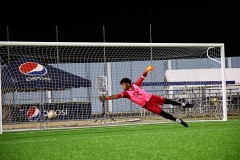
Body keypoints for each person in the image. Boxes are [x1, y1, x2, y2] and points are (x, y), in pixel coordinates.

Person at [98, 65, 193, 127]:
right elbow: (116, 96)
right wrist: (106, 98)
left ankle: (183, 105)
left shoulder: (136, 84)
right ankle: (179, 121)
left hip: (152, 97)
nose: (123, 86)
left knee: (169, 101)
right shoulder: (126, 94)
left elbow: (142, 76)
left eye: (124, 84)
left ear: (128, 83)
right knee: (165, 114)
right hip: (147, 105)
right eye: (122, 85)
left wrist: (147, 70)